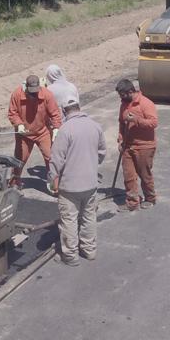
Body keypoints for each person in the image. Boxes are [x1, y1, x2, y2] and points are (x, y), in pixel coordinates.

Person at [48, 89, 106, 266]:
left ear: (65, 111)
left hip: (70, 187)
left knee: (69, 220)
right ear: (79, 107)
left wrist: (52, 180)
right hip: (90, 183)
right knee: (89, 217)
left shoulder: (65, 130)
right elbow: (102, 152)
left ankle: (70, 256)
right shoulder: (95, 125)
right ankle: (89, 251)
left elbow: (56, 159)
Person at [7, 74, 62, 188]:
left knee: (51, 158)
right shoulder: (17, 94)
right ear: (26, 87)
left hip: (43, 132)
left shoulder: (46, 94)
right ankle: (13, 185)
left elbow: (55, 113)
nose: (34, 94)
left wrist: (56, 128)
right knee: (19, 160)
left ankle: (55, 186)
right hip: (24, 135)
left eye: (36, 92)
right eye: (31, 92)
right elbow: (12, 113)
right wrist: (19, 124)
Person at [115, 78, 158, 211]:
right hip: (128, 145)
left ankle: (150, 198)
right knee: (129, 175)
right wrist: (120, 139)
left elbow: (153, 123)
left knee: (144, 174)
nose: (121, 98)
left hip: (144, 146)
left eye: (122, 94)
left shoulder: (146, 103)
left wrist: (137, 120)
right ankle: (132, 202)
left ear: (130, 91)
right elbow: (122, 123)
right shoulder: (124, 104)